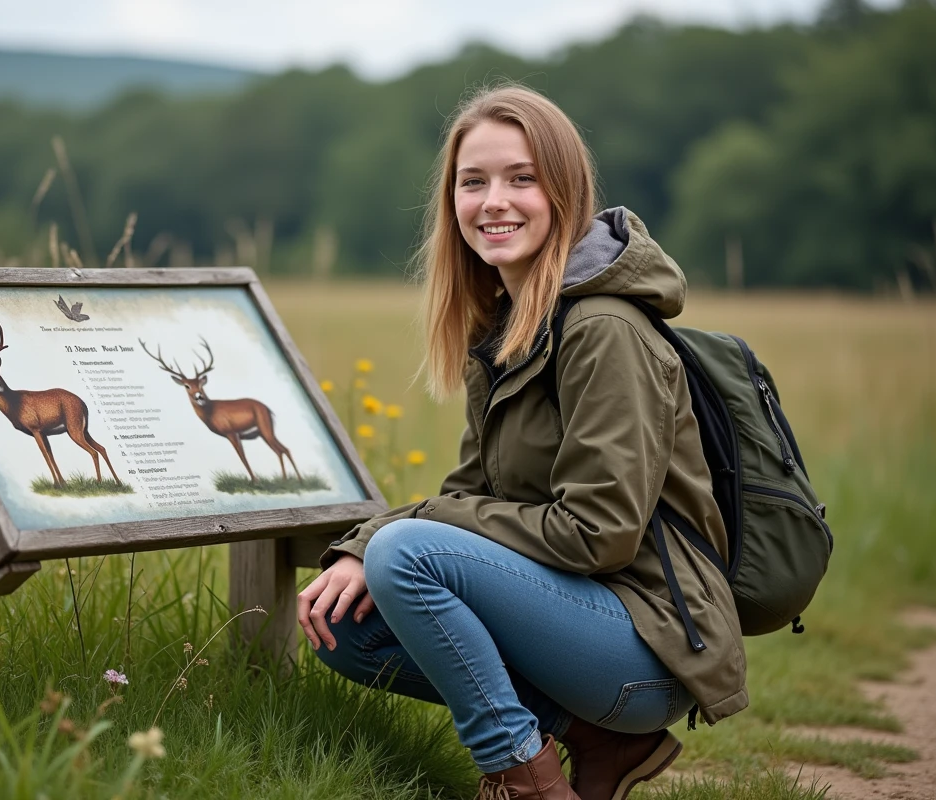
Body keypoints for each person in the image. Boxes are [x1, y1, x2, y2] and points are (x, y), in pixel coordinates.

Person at [296, 84, 748, 800]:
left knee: (403, 558)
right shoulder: (510, 327)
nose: (493, 201)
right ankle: (601, 742)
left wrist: (397, 535)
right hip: (576, 620)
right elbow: (474, 493)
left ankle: (524, 779)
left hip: (648, 641)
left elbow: (596, 536)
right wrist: (364, 548)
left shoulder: (604, 330)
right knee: (348, 625)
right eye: (472, 182)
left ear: (564, 192)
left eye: (521, 178)